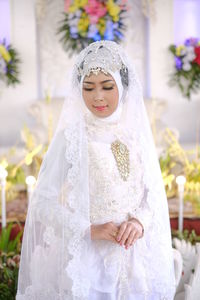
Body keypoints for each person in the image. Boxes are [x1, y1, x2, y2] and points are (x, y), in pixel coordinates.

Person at [16, 40, 176, 300]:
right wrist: (86, 228)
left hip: (137, 259)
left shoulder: (137, 134)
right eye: (88, 88)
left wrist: (139, 222)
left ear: (122, 87)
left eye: (107, 86)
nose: (97, 96)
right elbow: (42, 202)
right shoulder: (72, 138)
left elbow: (153, 194)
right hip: (89, 261)